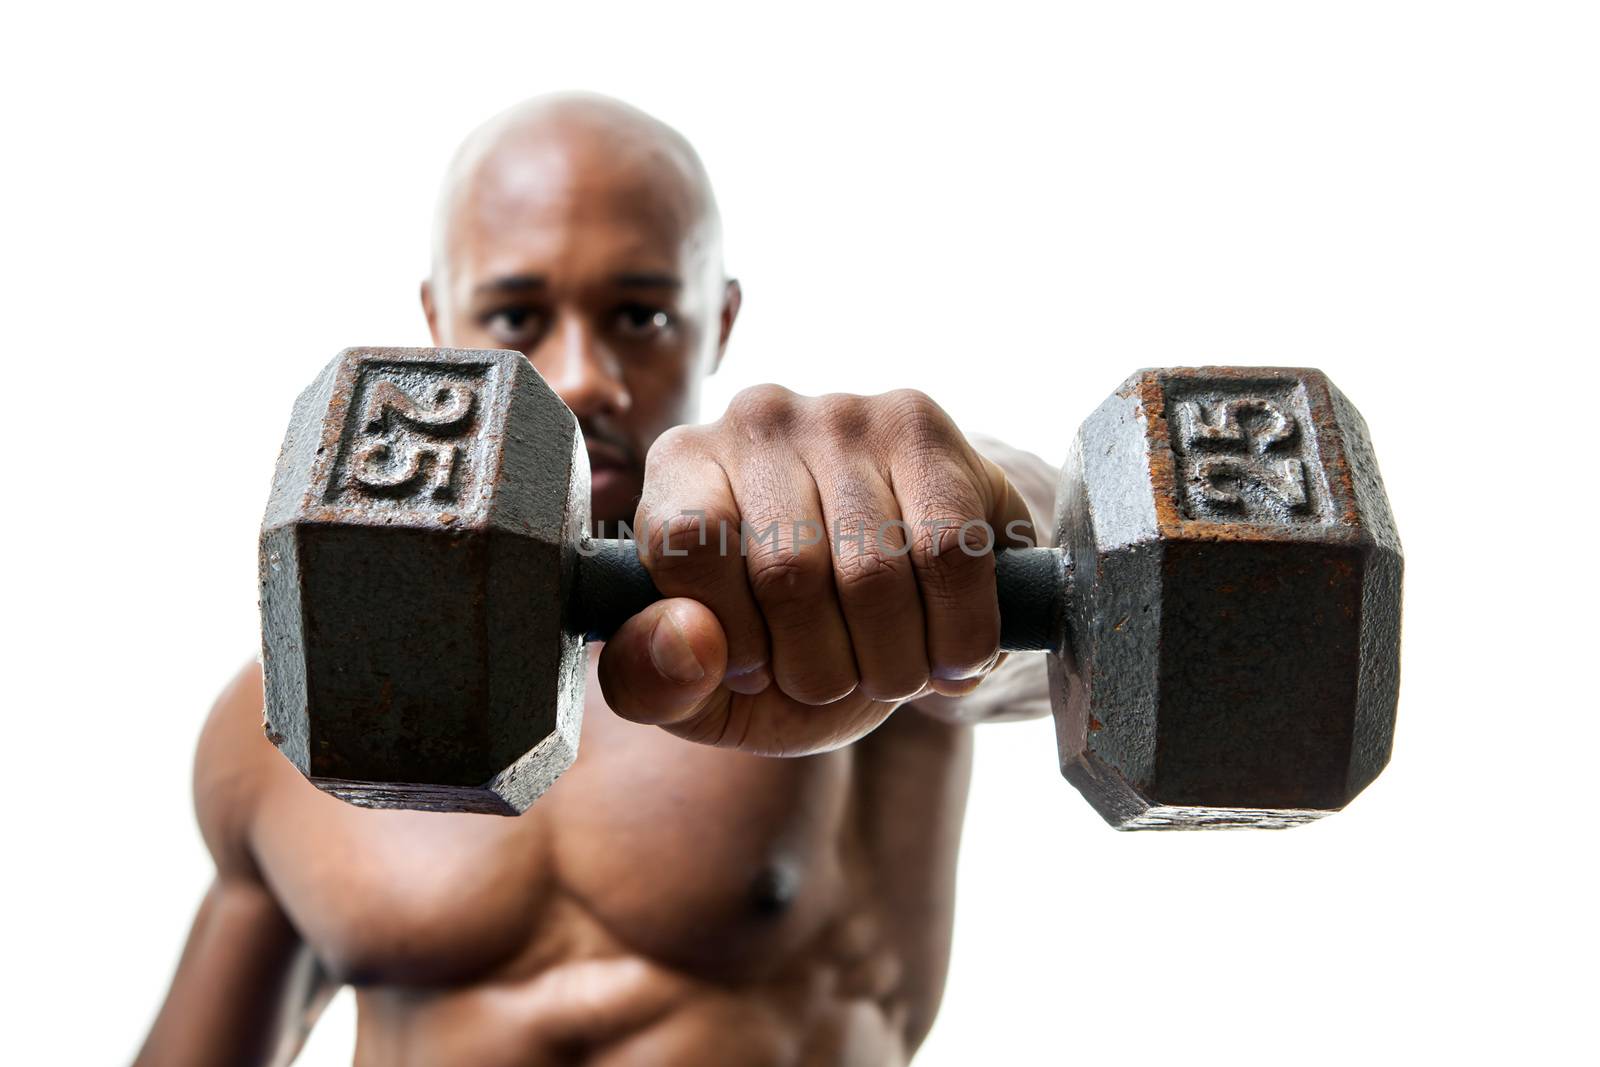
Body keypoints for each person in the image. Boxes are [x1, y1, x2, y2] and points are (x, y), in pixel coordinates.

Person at [139, 93, 1059, 1067]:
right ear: (438, 321)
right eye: (516, 314)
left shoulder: (834, 596)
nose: (582, 375)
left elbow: (1033, 616)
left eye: (641, 313)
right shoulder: (292, 709)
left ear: (719, 322)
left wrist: (978, 510)